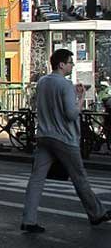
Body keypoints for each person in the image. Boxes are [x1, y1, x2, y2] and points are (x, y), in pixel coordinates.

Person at [21, 48, 111, 232]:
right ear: (61, 64)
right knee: (79, 177)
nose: (72, 65)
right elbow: (71, 114)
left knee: (37, 179)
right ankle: (96, 213)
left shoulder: (43, 82)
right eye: (70, 62)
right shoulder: (65, 85)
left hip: (44, 135)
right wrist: (80, 98)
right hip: (64, 138)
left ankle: (28, 219)